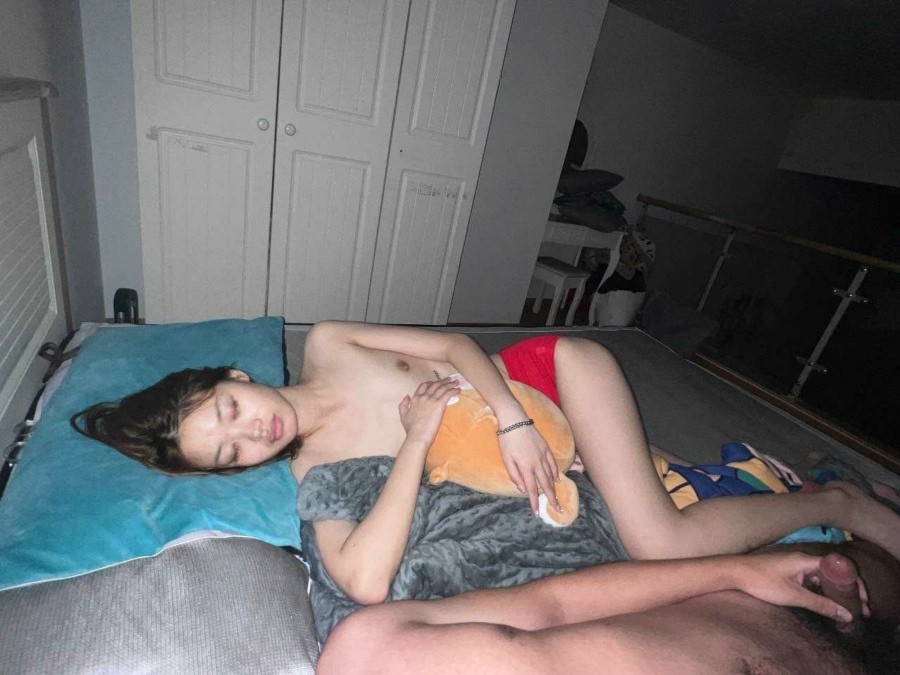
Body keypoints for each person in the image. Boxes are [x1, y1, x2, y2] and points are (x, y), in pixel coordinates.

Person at [72, 323, 900, 614]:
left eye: (229, 409)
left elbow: (456, 345)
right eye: (232, 451)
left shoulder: (327, 341)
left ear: (234, 375)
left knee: (658, 538)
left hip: (544, 377)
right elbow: (363, 573)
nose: (253, 431)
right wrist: (416, 442)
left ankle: (836, 502)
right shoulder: (315, 466)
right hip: (528, 449)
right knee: (653, 493)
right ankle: (782, 482)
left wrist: (510, 417)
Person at [316, 540, 900, 674]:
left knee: (855, 566)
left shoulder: (365, 650)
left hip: (743, 607)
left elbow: (551, 603)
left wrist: (730, 570)